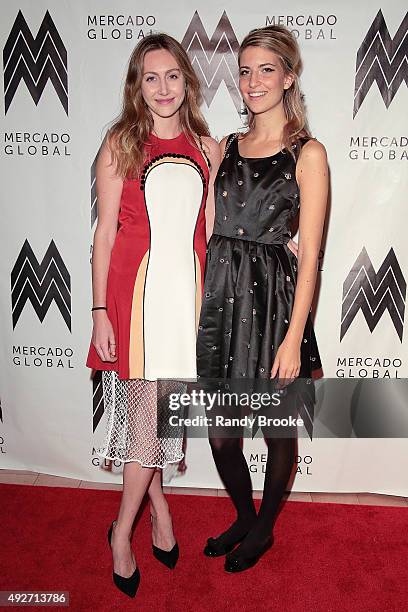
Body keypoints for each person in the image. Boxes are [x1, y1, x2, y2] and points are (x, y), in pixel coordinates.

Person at [86, 33, 220, 597]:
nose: (163, 88)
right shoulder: (120, 143)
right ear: (136, 86)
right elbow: (103, 236)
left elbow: (209, 231)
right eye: (150, 77)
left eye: (172, 76)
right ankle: (124, 533)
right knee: (149, 427)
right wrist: (99, 311)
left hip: (184, 302)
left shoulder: (206, 148)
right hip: (136, 300)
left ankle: (158, 510)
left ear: (187, 81)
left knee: (161, 423)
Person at [196, 25, 328, 572]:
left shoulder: (309, 153)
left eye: (266, 69)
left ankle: (264, 530)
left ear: (289, 76)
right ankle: (244, 517)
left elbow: (313, 254)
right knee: (221, 433)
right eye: (245, 71)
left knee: (277, 432)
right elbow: (207, 227)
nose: (253, 82)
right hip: (223, 299)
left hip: (276, 304)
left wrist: (294, 337)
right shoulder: (224, 147)